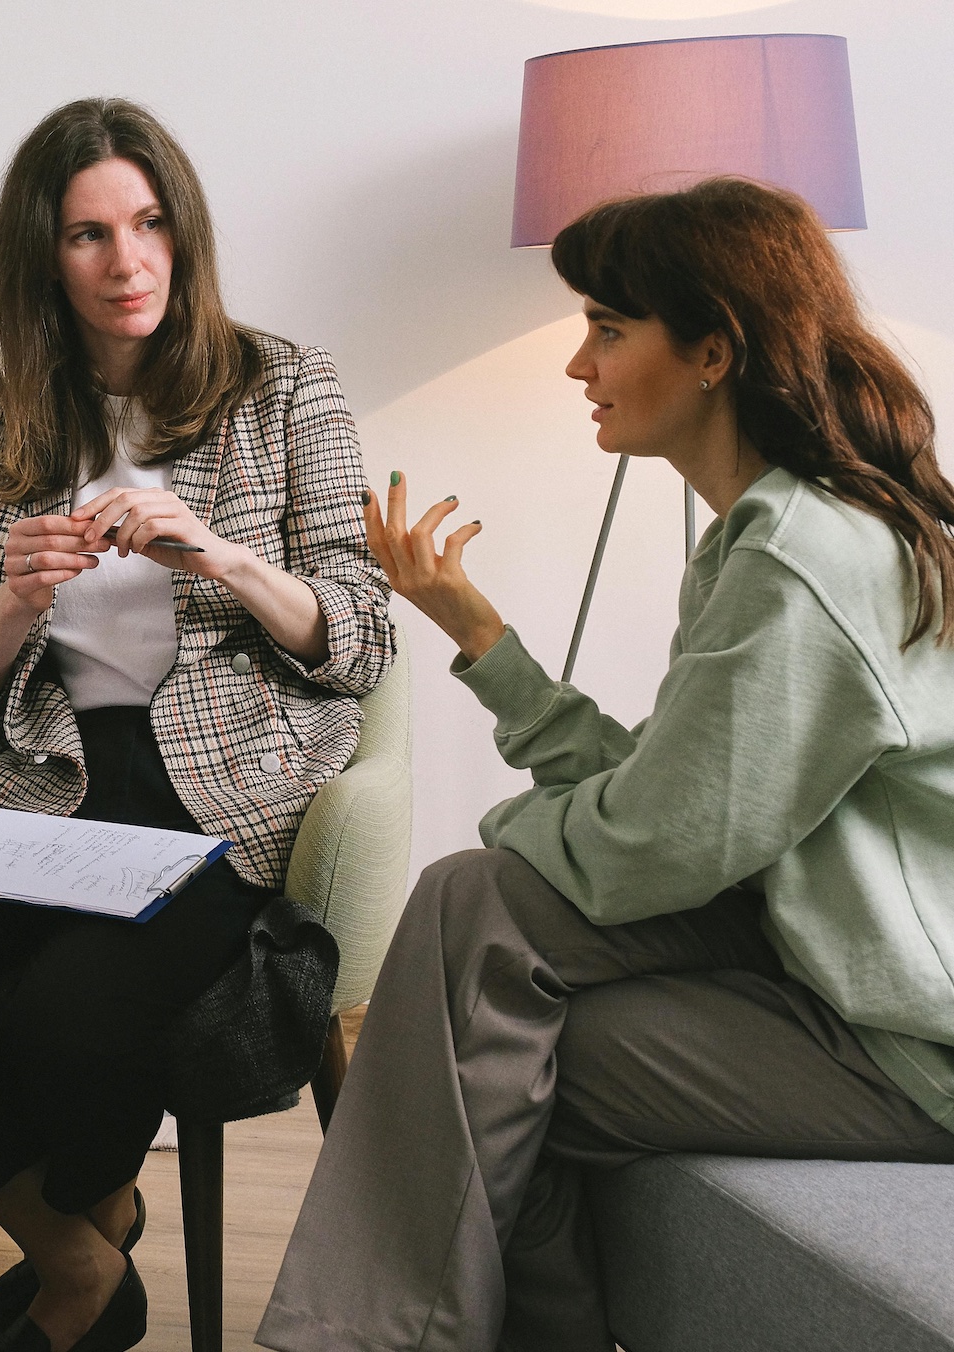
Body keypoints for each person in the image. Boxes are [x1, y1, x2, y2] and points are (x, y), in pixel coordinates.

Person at [256, 177, 954, 1352]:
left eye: (608, 328)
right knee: (486, 1003)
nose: (578, 363)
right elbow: (679, 800)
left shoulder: (801, 562)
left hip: (907, 1045)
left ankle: (365, 1335)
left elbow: (647, 847)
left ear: (712, 352)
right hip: (820, 965)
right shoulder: (769, 537)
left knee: (482, 973)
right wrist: (482, 637)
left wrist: (507, 829)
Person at [0, 98, 395, 1352]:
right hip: (48, 777)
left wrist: (220, 556)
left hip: (219, 785)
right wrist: (13, 600)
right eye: (87, 235)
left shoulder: (285, 384)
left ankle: (84, 1239)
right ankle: (78, 1249)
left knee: (62, 1008)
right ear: (43, 258)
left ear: (181, 232)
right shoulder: (0, 424)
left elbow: (361, 633)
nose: (125, 261)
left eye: (146, 225)